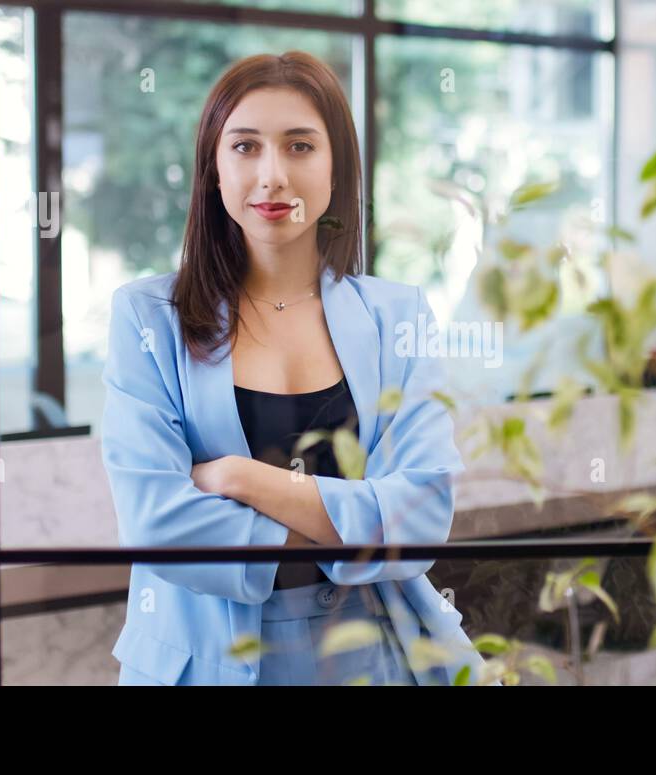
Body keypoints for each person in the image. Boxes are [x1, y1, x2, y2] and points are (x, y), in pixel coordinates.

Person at [100, 50, 488, 685]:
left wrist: (240, 478)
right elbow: (155, 523)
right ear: (213, 170)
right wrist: (353, 527)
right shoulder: (148, 317)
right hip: (206, 664)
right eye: (246, 147)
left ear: (336, 168)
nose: (272, 176)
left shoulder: (399, 315)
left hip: (373, 654)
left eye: (300, 146)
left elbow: (420, 517)